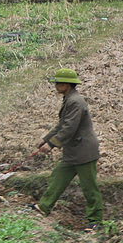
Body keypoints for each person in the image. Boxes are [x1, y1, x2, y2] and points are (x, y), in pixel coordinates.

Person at [28, 68, 104, 232]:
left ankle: (96, 221)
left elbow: (69, 128)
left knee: (89, 187)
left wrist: (52, 144)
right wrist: (45, 139)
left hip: (83, 151)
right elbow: (61, 125)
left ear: (68, 85)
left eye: (59, 82)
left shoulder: (76, 102)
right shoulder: (69, 99)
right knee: (58, 177)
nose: (56, 85)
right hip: (73, 152)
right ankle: (44, 206)